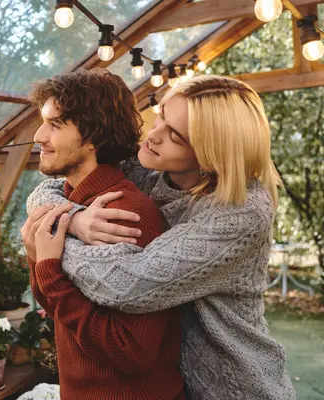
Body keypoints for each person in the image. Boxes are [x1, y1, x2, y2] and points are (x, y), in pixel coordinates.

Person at [24, 75, 296, 399]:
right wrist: (76, 219)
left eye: (175, 136)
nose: (153, 134)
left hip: (232, 385)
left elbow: (128, 285)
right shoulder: (151, 168)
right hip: (176, 379)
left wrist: (49, 248)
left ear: (211, 155)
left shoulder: (241, 213)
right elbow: (48, 189)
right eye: (162, 115)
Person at [21, 68, 185, 400]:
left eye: (54, 125)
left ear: (93, 136)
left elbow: (131, 352)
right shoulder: (66, 202)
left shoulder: (127, 214)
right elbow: (57, 308)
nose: (39, 136)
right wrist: (37, 260)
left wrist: (49, 272)